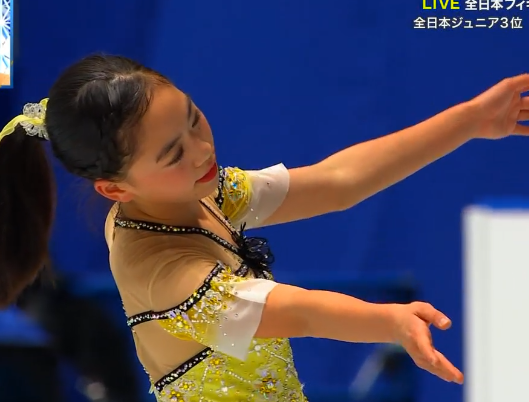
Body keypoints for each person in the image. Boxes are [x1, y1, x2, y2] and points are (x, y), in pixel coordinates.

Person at [0, 54, 527, 401]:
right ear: (115, 189)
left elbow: (337, 182)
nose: (202, 150)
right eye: (173, 153)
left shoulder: (196, 193)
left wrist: (469, 121)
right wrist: (387, 320)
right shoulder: (160, 269)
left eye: (193, 118)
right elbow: (295, 311)